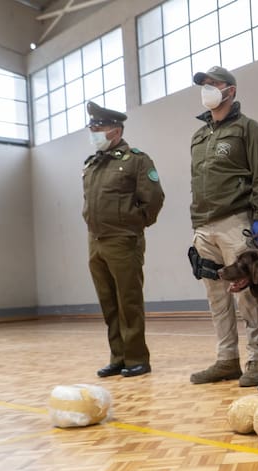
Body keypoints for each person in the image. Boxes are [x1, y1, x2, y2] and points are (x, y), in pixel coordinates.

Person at [188, 65, 258, 386]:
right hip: (203, 225)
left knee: (247, 294)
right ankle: (226, 359)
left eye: (213, 84)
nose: (207, 90)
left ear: (230, 90)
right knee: (216, 295)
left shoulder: (248, 129)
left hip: (236, 221)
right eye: (204, 85)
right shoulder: (199, 136)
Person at [82, 101, 165, 378]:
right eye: (92, 126)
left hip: (123, 240)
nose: (93, 131)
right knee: (108, 302)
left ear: (115, 130)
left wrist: (132, 225)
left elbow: (154, 199)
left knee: (128, 301)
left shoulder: (136, 160)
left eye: (99, 127)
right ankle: (118, 357)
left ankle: (137, 358)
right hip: (96, 241)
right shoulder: (93, 164)